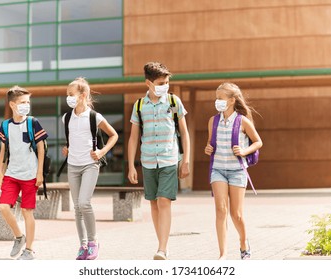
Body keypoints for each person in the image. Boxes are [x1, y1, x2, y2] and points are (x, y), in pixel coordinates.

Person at [127, 62, 190, 260]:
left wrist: (186, 160)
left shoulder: (174, 102)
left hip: (169, 159)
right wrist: (131, 165)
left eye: (167, 82)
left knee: (164, 201)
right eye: (161, 82)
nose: (166, 85)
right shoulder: (139, 106)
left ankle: (162, 248)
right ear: (149, 83)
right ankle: (162, 244)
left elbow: (185, 133)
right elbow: (133, 138)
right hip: (147, 161)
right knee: (153, 203)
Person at [61, 77, 118, 260]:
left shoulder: (95, 117)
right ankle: (83, 245)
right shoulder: (66, 117)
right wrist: (67, 148)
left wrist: (102, 152)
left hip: (90, 165)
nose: (68, 98)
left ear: (82, 95)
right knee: (77, 207)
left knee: (84, 203)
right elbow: (73, 139)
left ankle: (93, 242)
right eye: (67, 95)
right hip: (72, 165)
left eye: (71, 94)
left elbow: (114, 135)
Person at [204, 82, 263, 260]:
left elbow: (258, 142)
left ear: (231, 100)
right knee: (220, 210)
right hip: (218, 170)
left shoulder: (242, 121)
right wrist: (208, 148)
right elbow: (210, 144)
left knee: (236, 214)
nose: (217, 101)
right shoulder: (213, 121)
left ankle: (244, 243)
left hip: (237, 171)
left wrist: (244, 151)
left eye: (220, 98)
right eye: (216, 98)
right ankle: (223, 254)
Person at [0, 86, 48, 260]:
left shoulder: (32, 122)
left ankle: (29, 250)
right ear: (12, 104)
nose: (26, 105)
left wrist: (40, 172)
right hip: (12, 174)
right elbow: (3, 150)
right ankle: (19, 237)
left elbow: (41, 148)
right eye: (22, 102)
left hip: (31, 175)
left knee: (27, 212)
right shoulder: (5, 125)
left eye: (28, 102)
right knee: (3, 206)